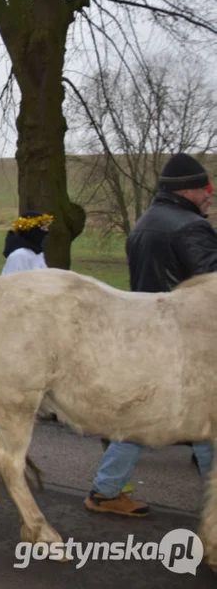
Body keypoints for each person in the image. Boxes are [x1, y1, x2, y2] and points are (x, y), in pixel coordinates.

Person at [84, 153, 217, 517]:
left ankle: (106, 491)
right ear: (189, 189)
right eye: (207, 187)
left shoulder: (145, 222)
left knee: (142, 420)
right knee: (206, 425)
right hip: (187, 342)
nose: (211, 194)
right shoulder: (192, 228)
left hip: (148, 336)